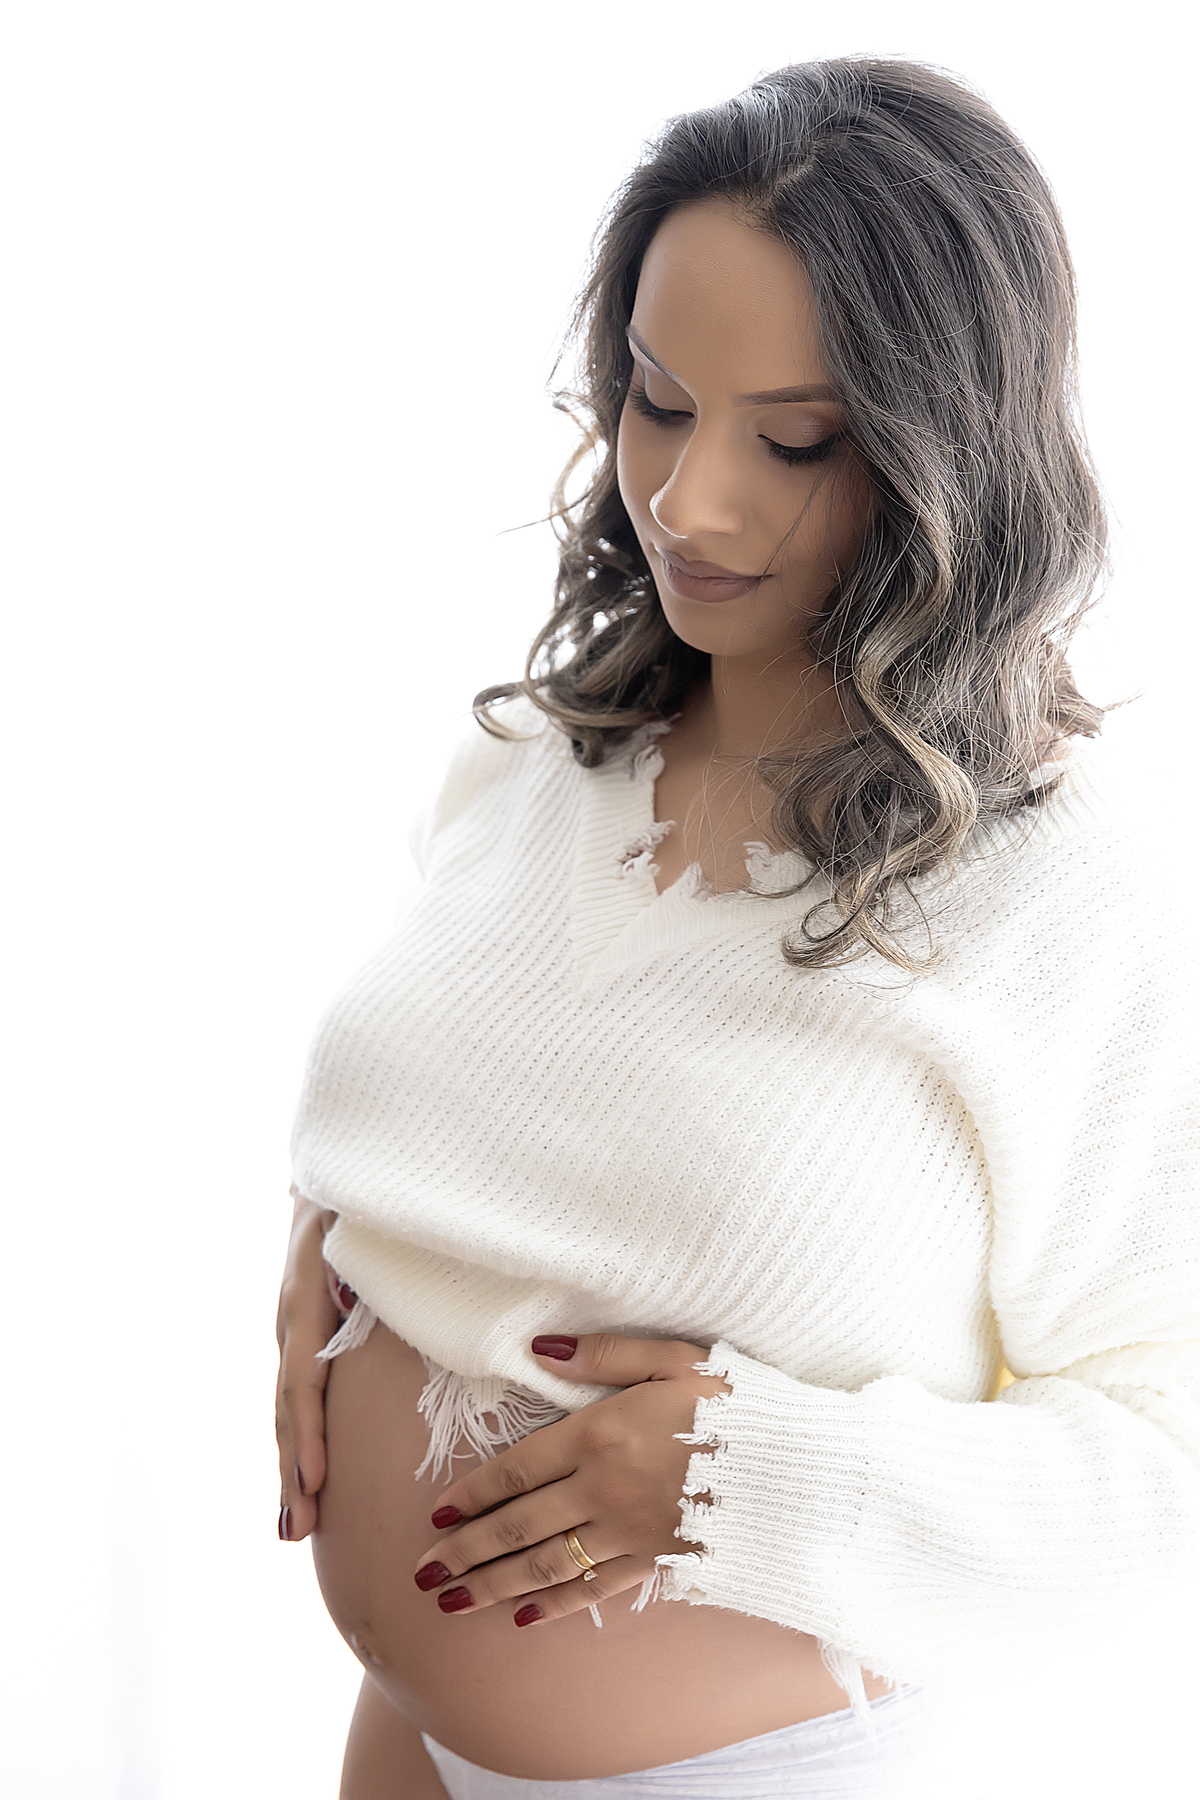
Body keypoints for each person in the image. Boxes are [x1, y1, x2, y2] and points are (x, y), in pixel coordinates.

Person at [274, 54, 1200, 1800]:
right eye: (655, 400)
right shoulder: (538, 762)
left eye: (793, 441)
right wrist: (344, 1247)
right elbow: (473, 1086)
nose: (688, 503)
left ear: (948, 456)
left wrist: (749, 1481)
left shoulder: (1072, 893)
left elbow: (1171, 1466)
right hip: (408, 1745)